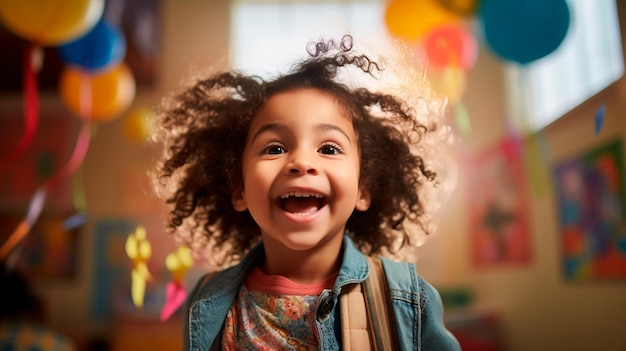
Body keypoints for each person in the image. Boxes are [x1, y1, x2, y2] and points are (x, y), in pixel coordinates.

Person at [151, 34, 460, 350]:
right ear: (240, 189)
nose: (301, 161)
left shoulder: (405, 299)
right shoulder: (208, 302)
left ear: (362, 190)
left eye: (328, 147)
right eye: (274, 148)